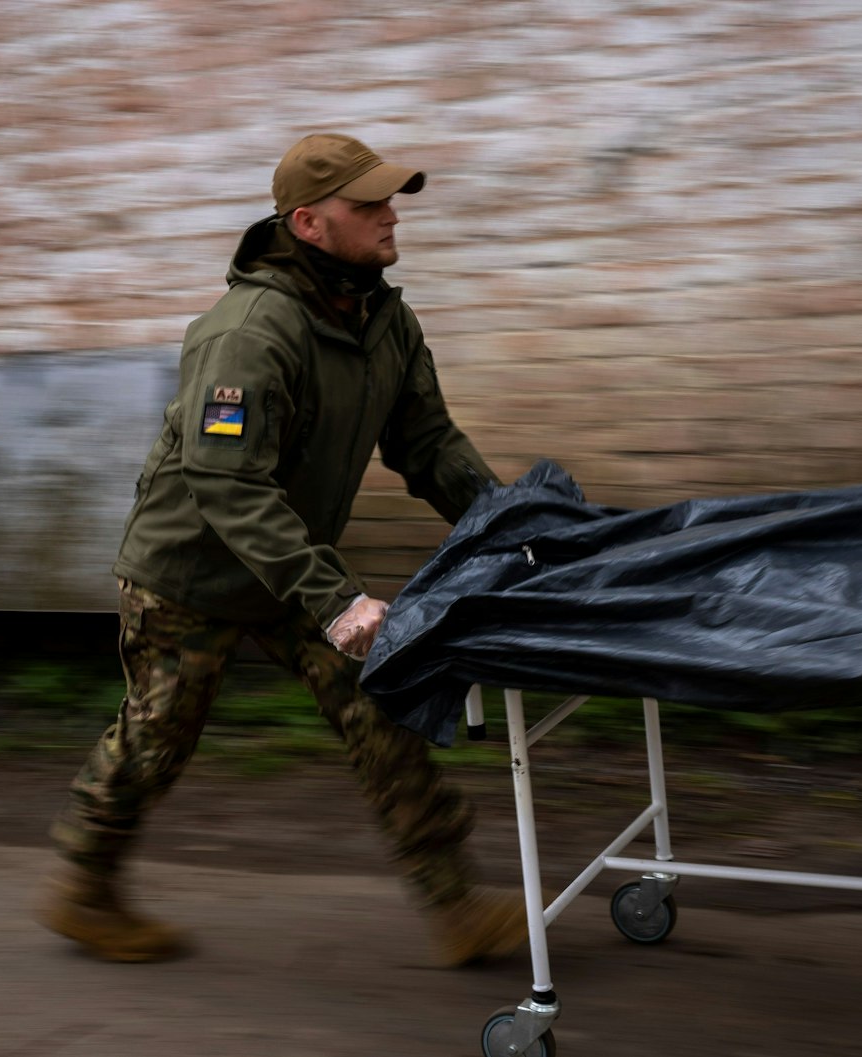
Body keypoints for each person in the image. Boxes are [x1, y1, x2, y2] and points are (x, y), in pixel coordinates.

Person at [39, 133, 523, 966]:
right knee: (158, 739)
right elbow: (226, 485)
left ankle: (455, 904)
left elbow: (429, 442)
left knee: (382, 703)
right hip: (189, 572)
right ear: (308, 222)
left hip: (289, 567)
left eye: (390, 198)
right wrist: (336, 599)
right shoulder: (247, 334)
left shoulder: (383, 320)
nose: (388, 214)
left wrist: (512, 523)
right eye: (367, 203)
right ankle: (84, 881)